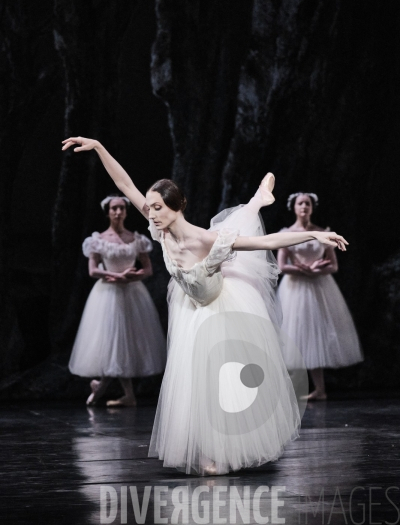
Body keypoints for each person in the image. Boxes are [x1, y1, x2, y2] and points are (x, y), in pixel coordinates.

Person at [62, 136, 348, 475]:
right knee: (193, 379)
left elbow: (265, 241)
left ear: (177, 206)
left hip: (219, 305)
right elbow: (124, 182)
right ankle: (206, 450)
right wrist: (98, 147)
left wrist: (313, 235)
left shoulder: (204, 238)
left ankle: (257, 201)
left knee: (219, 380)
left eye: (158, 208)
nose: (150, 214)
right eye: (149, 208)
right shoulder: (160, 232)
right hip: (190, 308)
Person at [69, 194, 166, 407]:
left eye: (122, 208)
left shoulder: (136, 239)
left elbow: (148, 269)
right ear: (108, 212)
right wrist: (115, 276)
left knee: (126, 342)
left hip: (132, 294)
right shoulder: (99, 240)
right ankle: (117, 392)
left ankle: (106, 389)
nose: (118, 212)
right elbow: (93, 270)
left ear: (126, 212)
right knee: (113, 340)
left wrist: (132, 276)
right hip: (107, 295)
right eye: (114, 208)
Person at [277, 192, 363, 401]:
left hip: (319, 287)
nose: (304, 206)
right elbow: (281, 266)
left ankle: (320, 389)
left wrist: (314, 271)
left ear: (312, 207)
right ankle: (287, 390)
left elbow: (333, 265)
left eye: (308, 203)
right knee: (292, 335)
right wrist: (305, 270)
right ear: (294, 207)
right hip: (294, 288)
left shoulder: (323, 232)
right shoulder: (286, 233)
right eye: (300, 203)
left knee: (315, 335)